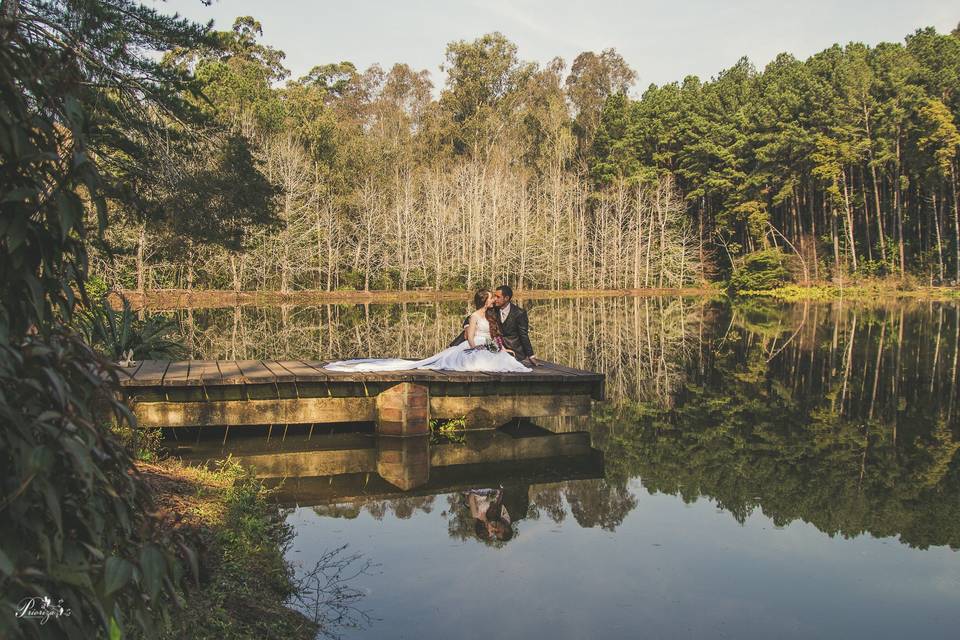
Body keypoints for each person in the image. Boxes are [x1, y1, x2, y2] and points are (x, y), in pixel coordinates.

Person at [323, 289, 531, 373]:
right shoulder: (476, 315)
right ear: (485, 301)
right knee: (475, 361)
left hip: (489, 346)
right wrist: (480, 342)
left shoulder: (493, 314)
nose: (494, 300)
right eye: (491, 298)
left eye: (496, 297)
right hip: (475, 346)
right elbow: (471, 332)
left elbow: (496, 334)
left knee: (506, 362)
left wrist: (500, 348)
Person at [449, 285, 538, 367]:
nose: (495, 299)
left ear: (506, 298)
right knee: (470, 335)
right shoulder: (493, 308)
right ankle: (453, 348)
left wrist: (531, 355)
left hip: (512, 349)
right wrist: (467, 326)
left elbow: (524, 335)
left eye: (498, 297)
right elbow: (472, 317)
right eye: (494, 296)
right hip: (492, 345)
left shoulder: (519, 313)